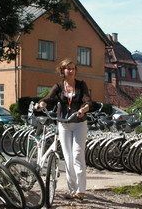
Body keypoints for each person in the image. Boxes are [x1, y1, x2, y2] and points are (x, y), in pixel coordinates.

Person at [34, 58, 91, 199]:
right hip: (63, 124)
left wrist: (84, 109)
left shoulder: (81, 85)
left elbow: (88, 100)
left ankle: (81, 190)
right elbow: (48, 98)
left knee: (77, 154)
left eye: (73, 68)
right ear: (63, 71)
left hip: (79, 123)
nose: (70, 71)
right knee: (68, 157)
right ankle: (73, 190)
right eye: (68, 68)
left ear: (75, 71)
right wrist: (41, 104)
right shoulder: (59, 87)